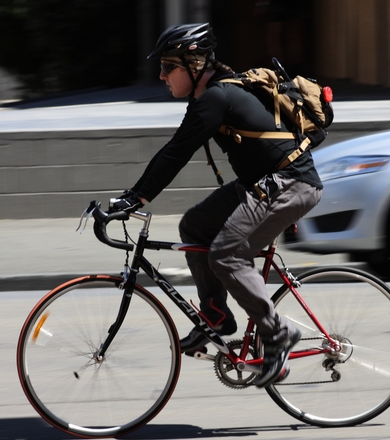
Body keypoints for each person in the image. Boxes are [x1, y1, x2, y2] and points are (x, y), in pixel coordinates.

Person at [109, 23, 323, 388]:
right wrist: (133, 196)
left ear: (193, 64)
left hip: (290, 183)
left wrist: (134, 198)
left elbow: (175, 152)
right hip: (262, 183)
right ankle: (216, 316)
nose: (161, 76)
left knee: (226, 254)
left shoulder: (217, 97)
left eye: (167, 67)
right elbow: (176, 149)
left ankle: (277, 333)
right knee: (195, 226)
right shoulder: (210, 96)